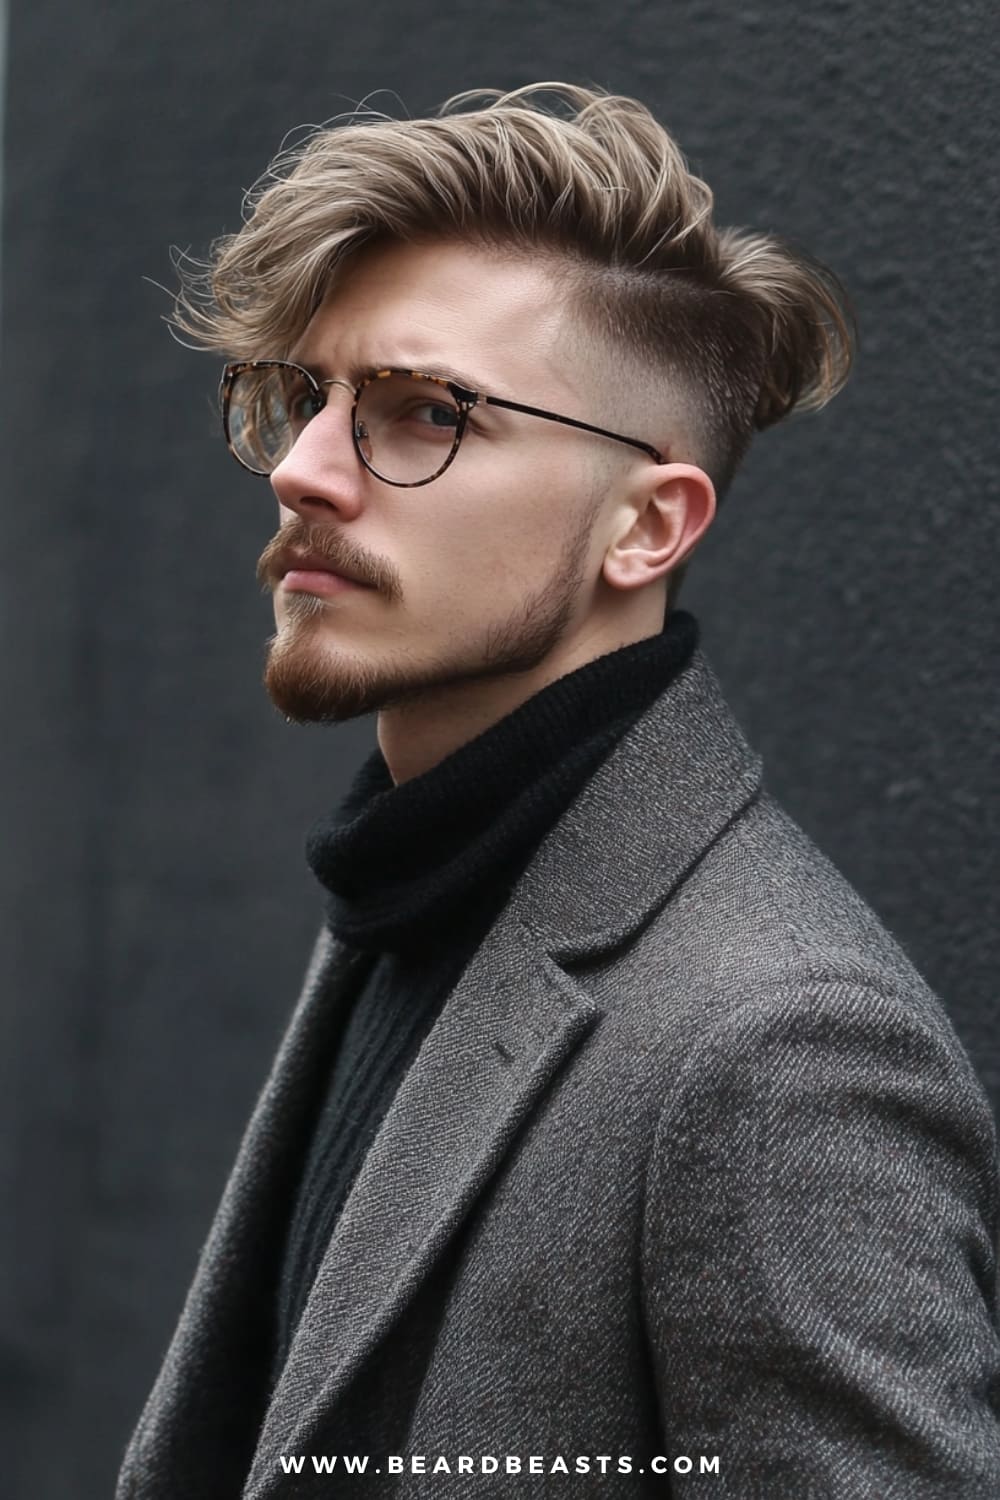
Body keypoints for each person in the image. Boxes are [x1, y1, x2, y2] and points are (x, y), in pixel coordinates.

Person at [116, 82, 1000, 1499]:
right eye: (302, 398)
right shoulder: (419, 888)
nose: (300, 471)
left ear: (647, 526)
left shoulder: (781, 1050)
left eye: (421, 415)